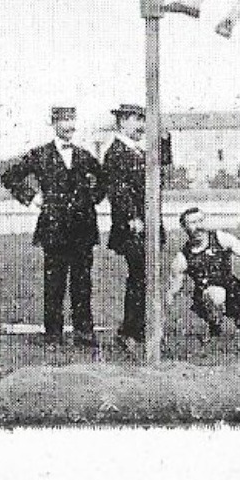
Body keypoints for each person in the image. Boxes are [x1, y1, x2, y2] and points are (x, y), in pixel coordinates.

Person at [0, 106, 107, 347]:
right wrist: (32, 197)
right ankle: (53, 334)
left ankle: (83, 332)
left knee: (82, 284)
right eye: (64, 121)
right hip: (54, 229)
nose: (69, 126)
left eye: (72, 120)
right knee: (54, 283)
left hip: (82, 229)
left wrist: (92, 198)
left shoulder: (85, 155)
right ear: (54, 124)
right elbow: (10, 177)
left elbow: (103, 181)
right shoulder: (40, 154)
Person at [166, 207, 240, 338]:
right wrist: (163, 317)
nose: (199, 226)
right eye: (193, 223)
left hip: (233, 290)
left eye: (201, 220)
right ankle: (215, 328)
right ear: (184, 227)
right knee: (217, 294)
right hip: (207, 297)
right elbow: (173, 289)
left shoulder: (220, 238)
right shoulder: (183, 257)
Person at [103, 103, 151, 347]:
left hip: (146, 223)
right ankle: (131, 330)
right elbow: (118, 188)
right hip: (133, 226)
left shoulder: (138, 150)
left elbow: (164, 161)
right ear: (123, 121)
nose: (143, 126)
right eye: (138, 120)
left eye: (144, 120)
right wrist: (132, 216)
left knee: (143, 276)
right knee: (140, 276)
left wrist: (164, 134)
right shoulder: (116, 151)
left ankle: (136, 327)